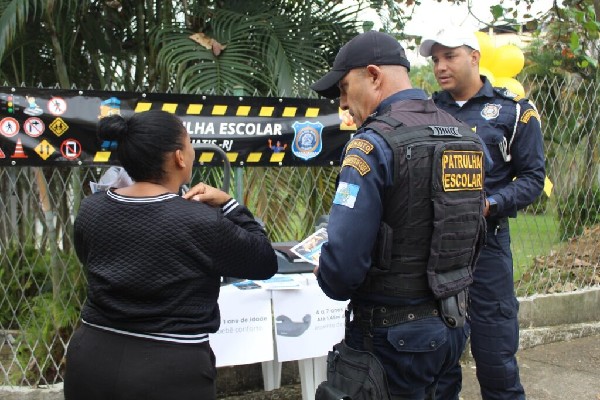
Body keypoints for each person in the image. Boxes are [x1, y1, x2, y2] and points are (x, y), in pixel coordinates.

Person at [311, 30, 487, 399]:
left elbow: (342, 270)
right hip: (451, 327)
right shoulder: (465, 137)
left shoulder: (371, 145)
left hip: (391, 340)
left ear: (373, 75)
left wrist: (325, 271)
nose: (342, 103)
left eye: (344, 88)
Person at [64, 110, 278, 400]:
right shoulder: (199, 220)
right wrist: (229, 204)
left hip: (90, 359)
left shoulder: (92, 209)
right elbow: (264, 260)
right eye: (189, 144)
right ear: (179, 157)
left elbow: (88, 258)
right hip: (170, 370)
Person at [419, 28, 546, 400]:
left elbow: (533, 178)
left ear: (474, 57)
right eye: (435, 59)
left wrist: (491, 203)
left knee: (496, 358)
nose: (441, 67)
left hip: (487, 245)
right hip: (434, 248)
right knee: (436, 359)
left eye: (450, 56)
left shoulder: (515, 111)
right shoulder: (424, 111)